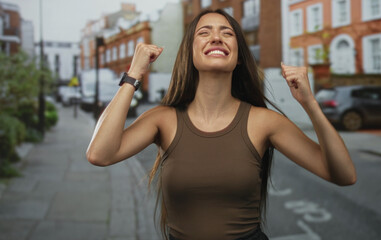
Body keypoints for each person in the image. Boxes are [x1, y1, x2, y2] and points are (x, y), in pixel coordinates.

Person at [86, 9, 356, 240]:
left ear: (238, 57)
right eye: (204, 32)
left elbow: (344, 175)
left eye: (227, 33)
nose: (216, 36)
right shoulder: (162, 119)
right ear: (190, 54)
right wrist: (133, 75)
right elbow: (99, 154)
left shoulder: (265, 122)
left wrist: (309, 103)